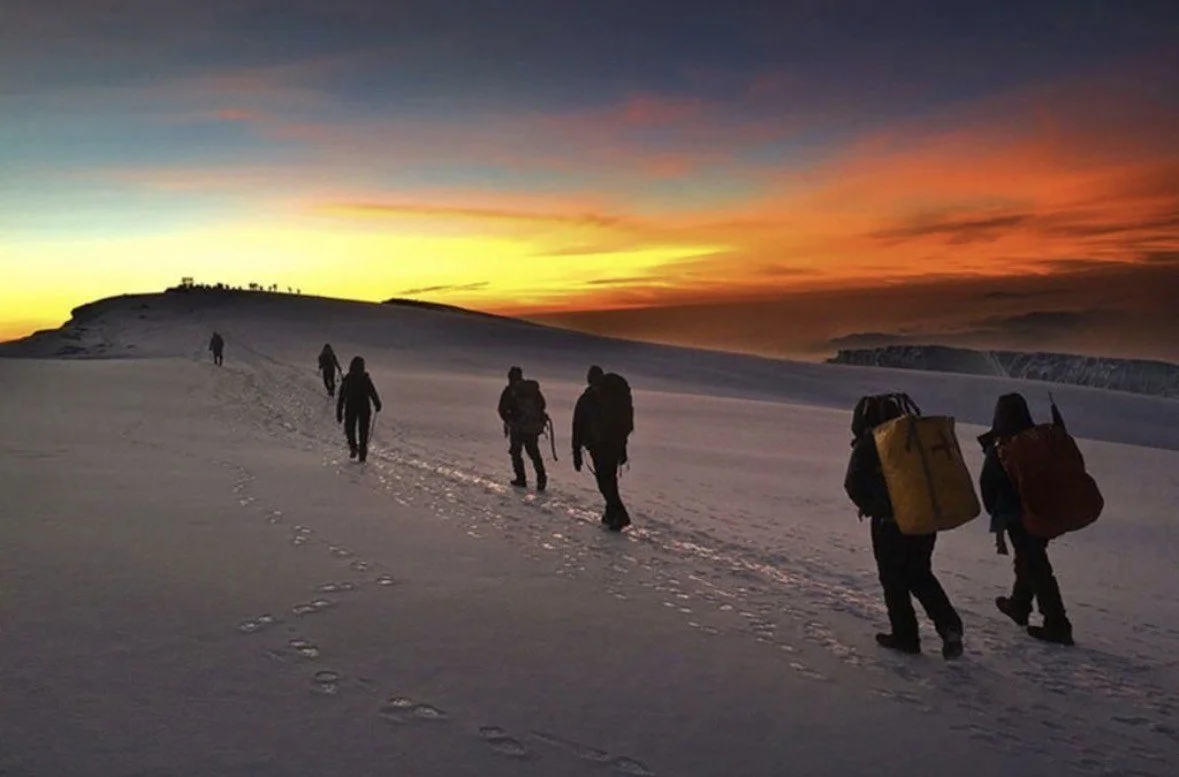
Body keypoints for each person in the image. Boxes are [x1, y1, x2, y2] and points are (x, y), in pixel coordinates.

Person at [844, 394, 964, 659]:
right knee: (920, 573)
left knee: (893, 579)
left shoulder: (872, 441)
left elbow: (853, 484)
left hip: (890, 524)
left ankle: (905, 635)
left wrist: (875, 506)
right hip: (922, 518)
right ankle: (950, 626)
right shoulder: (912, 437)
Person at [979, 393, 1074, 645]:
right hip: (1044, 510)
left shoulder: (1005, 447)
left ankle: (1057, 623)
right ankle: (1019, 605)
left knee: (1036, 565)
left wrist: (998, 513)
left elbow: (988, 486)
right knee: (1031, 559)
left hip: (1019, 515)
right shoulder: (1039, 440)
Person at [572, 365, 633, 531]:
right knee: (609, 479)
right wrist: (622, 449)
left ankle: (620, 515)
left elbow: (578, 426)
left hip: (598, 446)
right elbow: (623, 426)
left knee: (605, 482)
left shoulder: (588, 399)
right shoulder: (616, 397)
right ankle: (611, 514)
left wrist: (576, 453)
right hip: (614, 445)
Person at [497, 366, 548, 491]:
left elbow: (502, 408)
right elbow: (542, 404)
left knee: (516, 453)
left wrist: (509, 419)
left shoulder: (510, 390)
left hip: (518, 427)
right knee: (534, 453)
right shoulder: (531, 389)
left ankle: (521, 479)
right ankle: (541, 479)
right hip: (531, 427)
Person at [336, 356, 382, 463]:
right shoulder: (364, 378)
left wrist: (339, 411)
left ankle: (354, 447)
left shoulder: (348, 379)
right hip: (364, 408)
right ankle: (362, 454)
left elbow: (341, 397)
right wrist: (377, 404)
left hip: (351, 407)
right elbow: (372, 392)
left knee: (350, 429)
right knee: (363, 432)